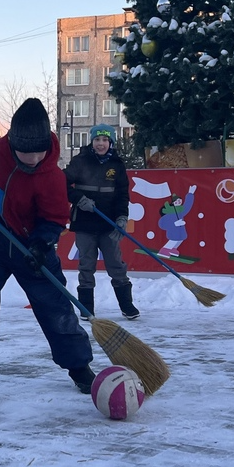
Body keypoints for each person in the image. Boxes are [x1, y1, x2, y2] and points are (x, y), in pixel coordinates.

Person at [0, 98, 95, 397]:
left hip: (33, 247)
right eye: (26, 152)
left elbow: (55, 218)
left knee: (56, 307)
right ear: (12, 142)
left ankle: (80, 368)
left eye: (40, 152)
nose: (34, 158)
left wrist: (40, 244)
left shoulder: (52, 177)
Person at [65, 124, 139, 320]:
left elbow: (123, 194)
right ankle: (86, 307)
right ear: (92, 141)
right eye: (97, 139)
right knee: (86, 265)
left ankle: (127, 305)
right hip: (85, 222)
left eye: (105, 140)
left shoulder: (117, 164)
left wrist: (122, 217)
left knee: (116, 264)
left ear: (111, 142)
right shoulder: (80, 161)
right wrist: (78, 199)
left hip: (109, 223)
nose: (100, 144)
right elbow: (61, 184)